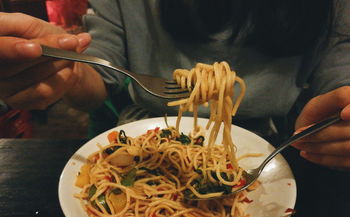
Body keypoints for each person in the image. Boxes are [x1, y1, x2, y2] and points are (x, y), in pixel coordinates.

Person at [1, 0, 350, 170]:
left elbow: (339, 65)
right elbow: (101, 76)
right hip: (141, 137)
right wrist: (68, 70)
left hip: (266, 150)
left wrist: (341, 108)